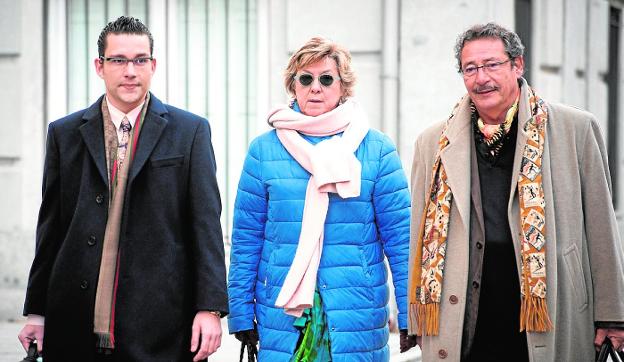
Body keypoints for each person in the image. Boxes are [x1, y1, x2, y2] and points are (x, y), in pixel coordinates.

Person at [407, 22, 624, 362]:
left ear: (517, 64)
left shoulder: (575, 129)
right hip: (463, 316)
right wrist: (415, 317)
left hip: (548, 311)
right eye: (470, 69)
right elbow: (418, 237)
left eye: (492, 64)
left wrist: (612, 314)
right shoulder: (432, 142)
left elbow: (601, 228)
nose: (481, 78)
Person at [18, 16, 228, 362]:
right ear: (100, 66)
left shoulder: (190, 132)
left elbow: (205, 226)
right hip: (74, 323)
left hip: (160, 326)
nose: (130, 71)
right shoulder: (64, 134)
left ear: (153, 65)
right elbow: (50, 231)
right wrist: (37, 312)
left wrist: (210, 308)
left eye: (140, 60)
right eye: (118, 60)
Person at [227, 36, 414, 361]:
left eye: (326, 79)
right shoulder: (263, 151)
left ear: (343, 86)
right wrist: (241, 311)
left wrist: (412, 315)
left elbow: (401, 242)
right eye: (306, 78)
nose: (316, 87)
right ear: (293, 84)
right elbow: (247, 240)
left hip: (356, 309)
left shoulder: (377, 149)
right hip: (283, 315)